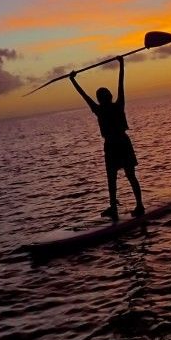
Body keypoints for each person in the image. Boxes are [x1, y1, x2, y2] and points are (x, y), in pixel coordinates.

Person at [69, 56, 144, 221]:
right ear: (109, 96)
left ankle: (122, 206)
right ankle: (134, 205)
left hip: (113, 145)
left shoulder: (99, 109)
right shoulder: (116, 105)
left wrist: (72, 80)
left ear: (100, 99)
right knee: (128, 176)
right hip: (122, 143)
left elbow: (84, 95)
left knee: (113, 178)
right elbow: (120, 83)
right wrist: (121, 64)